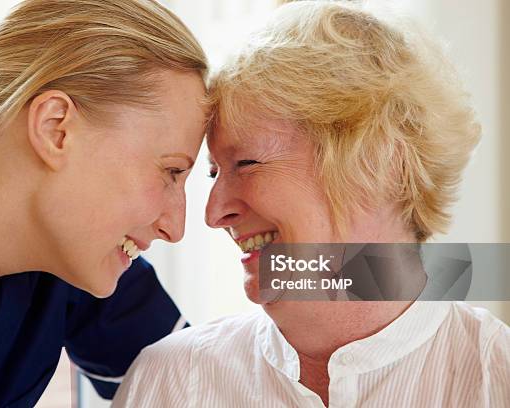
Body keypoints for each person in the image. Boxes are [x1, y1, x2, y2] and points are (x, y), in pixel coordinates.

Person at [112, 2, 509, 407]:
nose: (214, 214)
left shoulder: (496, 377)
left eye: (246, 163)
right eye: (214, 173)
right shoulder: (168, 382)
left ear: (377, 164)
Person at [0, 0, 207, 406]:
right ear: (55, 128)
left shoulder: (75, 259)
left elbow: (203, 388)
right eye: (171, 171)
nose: (175, 227)